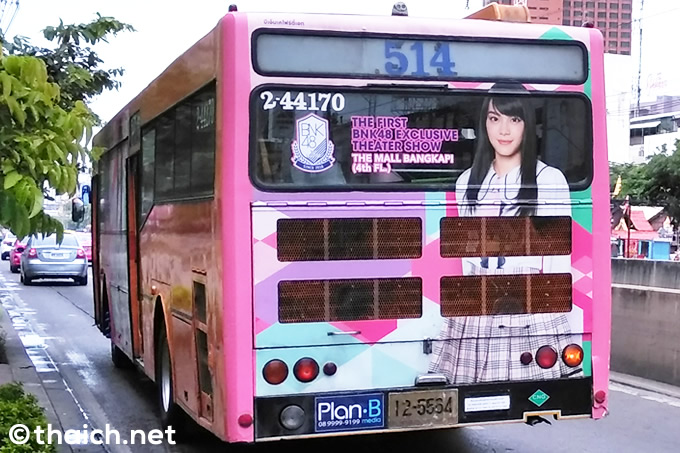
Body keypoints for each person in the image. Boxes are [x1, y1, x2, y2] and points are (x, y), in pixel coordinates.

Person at [429, 95, 580, 384]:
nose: (504, 130)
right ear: (484, 124)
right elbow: (467, 254)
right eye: (495, 119)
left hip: (529, 295)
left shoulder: (548, 179)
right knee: (469, 391)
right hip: (476, 296)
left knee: (530, 391)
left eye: (515, 119)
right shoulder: (467, 182)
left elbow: (559, 253)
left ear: (527, 126)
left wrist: (554, 310)